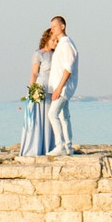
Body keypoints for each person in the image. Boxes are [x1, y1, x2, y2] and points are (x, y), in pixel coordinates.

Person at [43, 16, 79, 154]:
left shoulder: (67, 44)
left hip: (63, 87)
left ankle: (60, 145)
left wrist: (59, 88)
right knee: (64, 116)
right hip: (60, 86)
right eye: (51, 27)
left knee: (53, 114)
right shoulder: (61, 44)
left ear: (62, 27)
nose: (52, 29)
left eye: (54, 26)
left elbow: (68, 68)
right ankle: (68, 146)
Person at [19, 27, 57, 156]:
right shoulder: (38, 54)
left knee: (50, 117)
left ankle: (49, 146)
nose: (55, 43)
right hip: (41, 86)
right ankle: (35, 147)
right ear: (46, 39)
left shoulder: (56, 54)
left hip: (52, 88)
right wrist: (32, 90)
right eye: (53, 40)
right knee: (38, 118)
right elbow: (34, 73)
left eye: (56, 41)